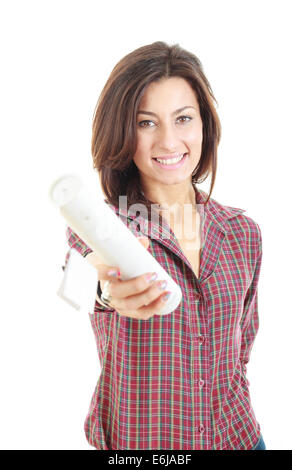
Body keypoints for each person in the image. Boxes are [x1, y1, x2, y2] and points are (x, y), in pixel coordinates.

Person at [64, 41, 265, 450]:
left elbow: (241, 350)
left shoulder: (244, 233)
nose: (169, 142)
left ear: (204, 125)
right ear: (122, 131)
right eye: (146, 123)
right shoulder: (101, 227)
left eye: (183, 118)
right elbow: (80, 284)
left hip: (240, 439)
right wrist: (105, 290)